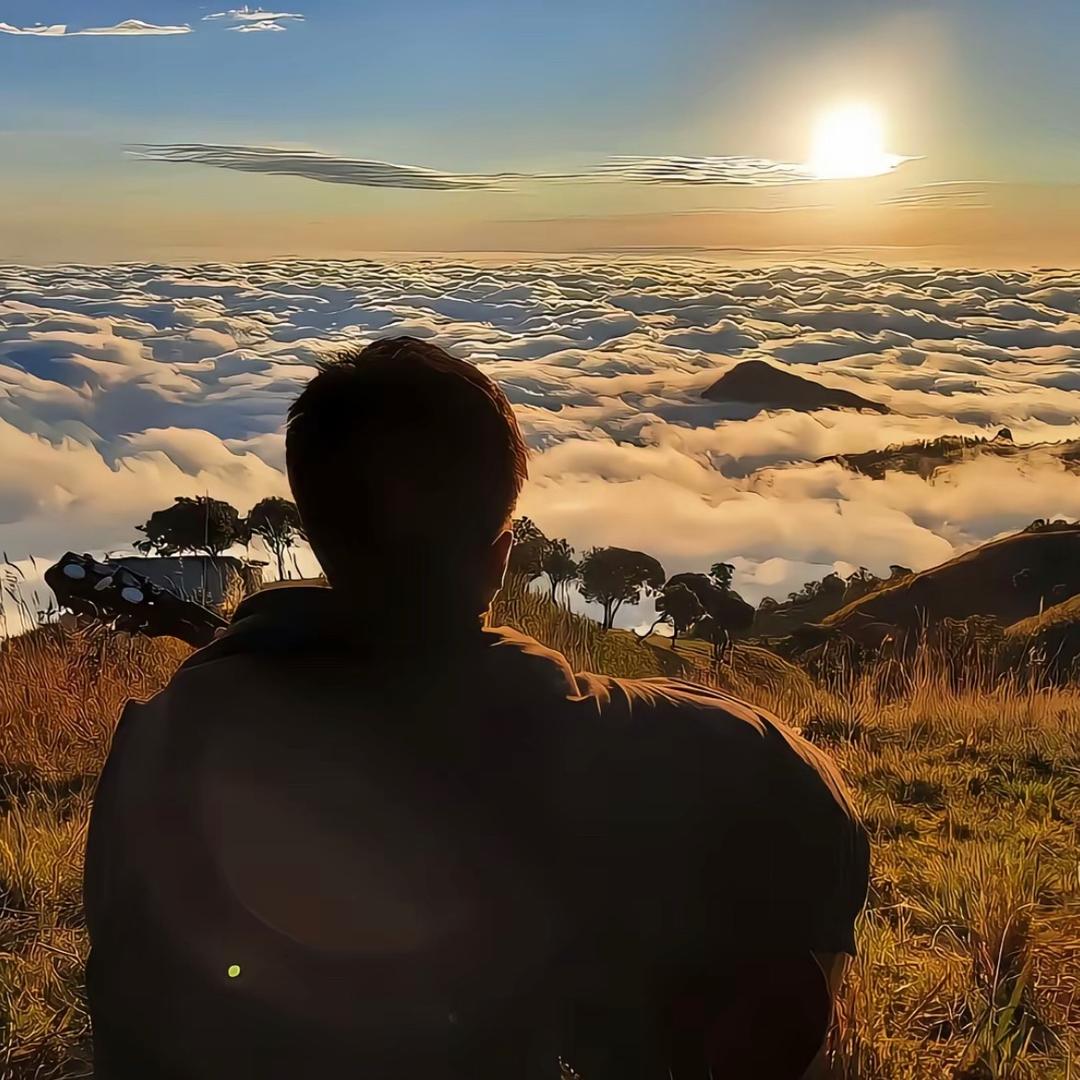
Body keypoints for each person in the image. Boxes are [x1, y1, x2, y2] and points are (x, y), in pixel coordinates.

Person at [84, 336, 870, 1079]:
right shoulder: (556, 730)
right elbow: (810, 794)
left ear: (317, 529)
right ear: (498, 560)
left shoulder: (153, 736)